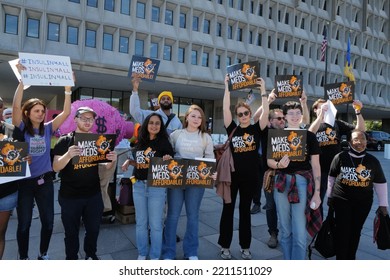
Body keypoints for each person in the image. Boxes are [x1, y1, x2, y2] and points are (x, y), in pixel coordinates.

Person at [12, 69, 72, 260]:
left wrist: (68, 90)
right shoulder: (21, 128)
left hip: (45, 181)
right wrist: (22, 83)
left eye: (43, 111)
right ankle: (23, 258)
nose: (40, 114)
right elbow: (14, 108)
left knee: (48, 223)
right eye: (36, 111)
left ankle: (43, 254)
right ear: (28, 113)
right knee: (24, 224)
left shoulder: (48, 129)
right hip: (25, 184)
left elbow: (67, 112)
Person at [52, 106, 117, 260]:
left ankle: (90, 255)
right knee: (71, 233)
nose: (88, 122)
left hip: (93, 195)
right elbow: (55, 167)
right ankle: (72, 258)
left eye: (91, 119)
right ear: (75, 119)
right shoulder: (65, 140)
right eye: (84, 118)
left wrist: (111, 160)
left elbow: (105, 166)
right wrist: (68, 155)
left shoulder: (97, 141)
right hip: (70, 197)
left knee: (93, 230)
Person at [218, 75, 269, 260]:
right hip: (231, 177)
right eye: (239, 114)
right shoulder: (232, 128)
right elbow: (225, 108)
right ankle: (224, 246)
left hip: (251, 178)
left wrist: (263, 90)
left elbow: (265, 113)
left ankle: (245, 247)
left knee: (245, 212)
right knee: (228, 210)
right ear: (237, 116)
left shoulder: (256, 129)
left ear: (249, 113)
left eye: (245, 113)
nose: (243, 116)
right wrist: (227, 88)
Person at [267, 100, 322, 260]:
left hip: (302, 182)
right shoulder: (277, 136)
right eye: (291, 113)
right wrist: (278, 164)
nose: (295, 116)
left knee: (299, 230)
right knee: (285, 229)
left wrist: (317, 193)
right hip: (281, 182)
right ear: (284, 116)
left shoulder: (309, 136)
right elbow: (269, 161)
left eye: (298, 112)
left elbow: (316, 165)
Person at [162, 104, 215, 260]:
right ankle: (168, 252)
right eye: (193, 116)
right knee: (172, 216)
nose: (196, 119)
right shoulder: (176, 135)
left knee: (193, 216)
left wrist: (212, 173)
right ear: (187, 118)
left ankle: (191, 252)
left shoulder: (206, 137)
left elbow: (210, 159)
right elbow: (168, 153)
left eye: (199, 117)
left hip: (196, 182)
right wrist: (166, 158)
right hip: (176, 180)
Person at [327, 130, 388, 260]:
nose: (359, 142)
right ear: (349, 142)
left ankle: (351, 258)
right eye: (355, 139)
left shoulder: (373, 161)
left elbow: (380, 183)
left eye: (362, 139)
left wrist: (383, 205)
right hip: (341, 200)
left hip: (363, 203)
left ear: (367, 142)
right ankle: (341, 258)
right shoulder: (340, 157)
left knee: (355, 231)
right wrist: (329, 196)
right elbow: (331, 177)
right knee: (343, 231)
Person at [122, 113, 174, 260]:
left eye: (157, 123)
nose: (154, 125)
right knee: (141, 223)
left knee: (156, 225)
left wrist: (168, 159)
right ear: (146, 124)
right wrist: (129, 162)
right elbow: (139, 162)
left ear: (161, 126)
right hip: (138, 185)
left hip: (156, 187)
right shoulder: (141, 142)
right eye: (151, 122)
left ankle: (155, 256)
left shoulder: (164, 143)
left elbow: (171, 164)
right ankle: (142, 253)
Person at [250, 90, 310, 215]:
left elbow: (305, 122)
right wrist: (269, 100)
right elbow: (256, 117)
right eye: (278, 118)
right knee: (270, 205)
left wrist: (303, 103)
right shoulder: (265, 130)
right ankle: (272, 232)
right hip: (269, 171)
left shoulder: (290, 131)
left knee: (285, 207)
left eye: (283, 118)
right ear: (270, 121)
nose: (282, 120)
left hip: (286, 172)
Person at [309, 98, 365, 217]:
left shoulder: (337, 123)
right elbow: (310, 134)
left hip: (338, 171)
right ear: (315, 110)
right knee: (317, 199)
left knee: (339, 200)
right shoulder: (313, 125)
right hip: (320, 171)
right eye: (322, 107)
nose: (325, 109)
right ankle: (318, 226)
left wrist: (358, 112)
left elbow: (360, 130)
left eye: (327, 107)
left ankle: (335, 224)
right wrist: (321, 116)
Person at [0, 112, 30, 259]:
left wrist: (25, 160)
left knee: (0, 232)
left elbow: (21, 155)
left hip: (7, 192)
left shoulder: (13, 130)